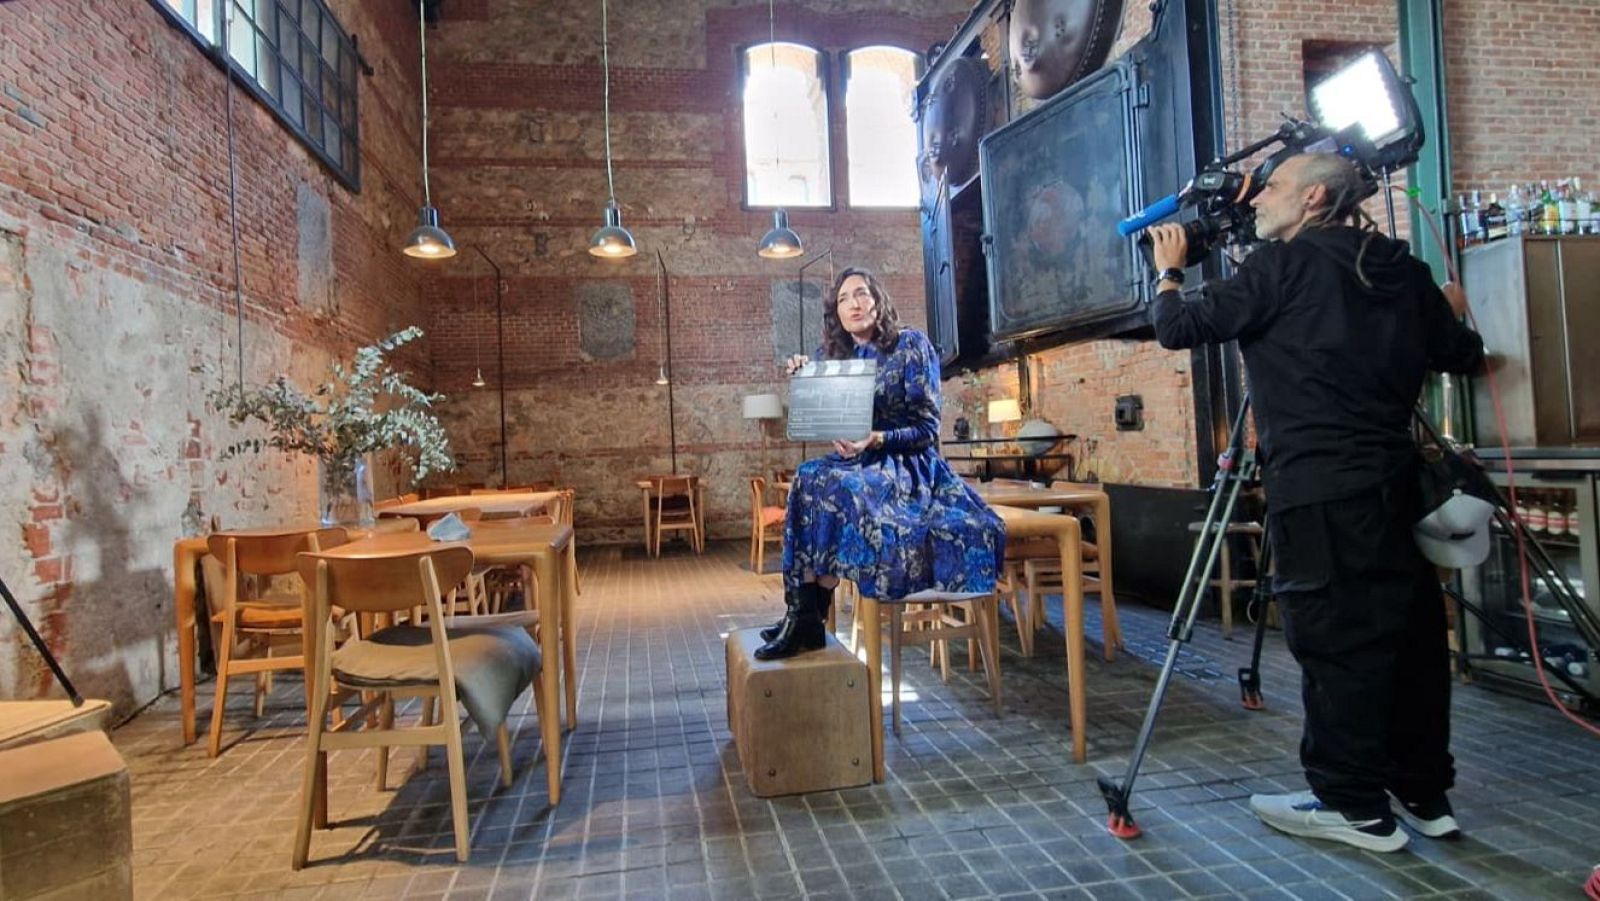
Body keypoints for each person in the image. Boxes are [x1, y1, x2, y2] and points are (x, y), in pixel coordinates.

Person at [1146, 152, 1485, 853]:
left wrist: (1170, 270)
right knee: (1411, 638)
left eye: (1274, 187)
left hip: (1318, 490)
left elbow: (1177, 327)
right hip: (1400, 488)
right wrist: (1451, 309)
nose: (1260, 197)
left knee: (1337, 640)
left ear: (1315, 199)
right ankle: (1423, 792)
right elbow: (1462, 353)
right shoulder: (1402, 269)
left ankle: (1351, 802)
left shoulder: (1280, 269)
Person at [755, 267, 1006, 660]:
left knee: (843, 489)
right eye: (843, 299)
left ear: (877, 300)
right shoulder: (836, 357)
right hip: (861, 463)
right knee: (809, 476)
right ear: (835, 313)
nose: (853, 304)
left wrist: (879, 437)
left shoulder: (910, 345)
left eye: (861, 294)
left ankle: (808, 613)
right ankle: (801, 611)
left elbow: (927, 427)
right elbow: (832, 418)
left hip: (907, 462)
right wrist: (806, 377)